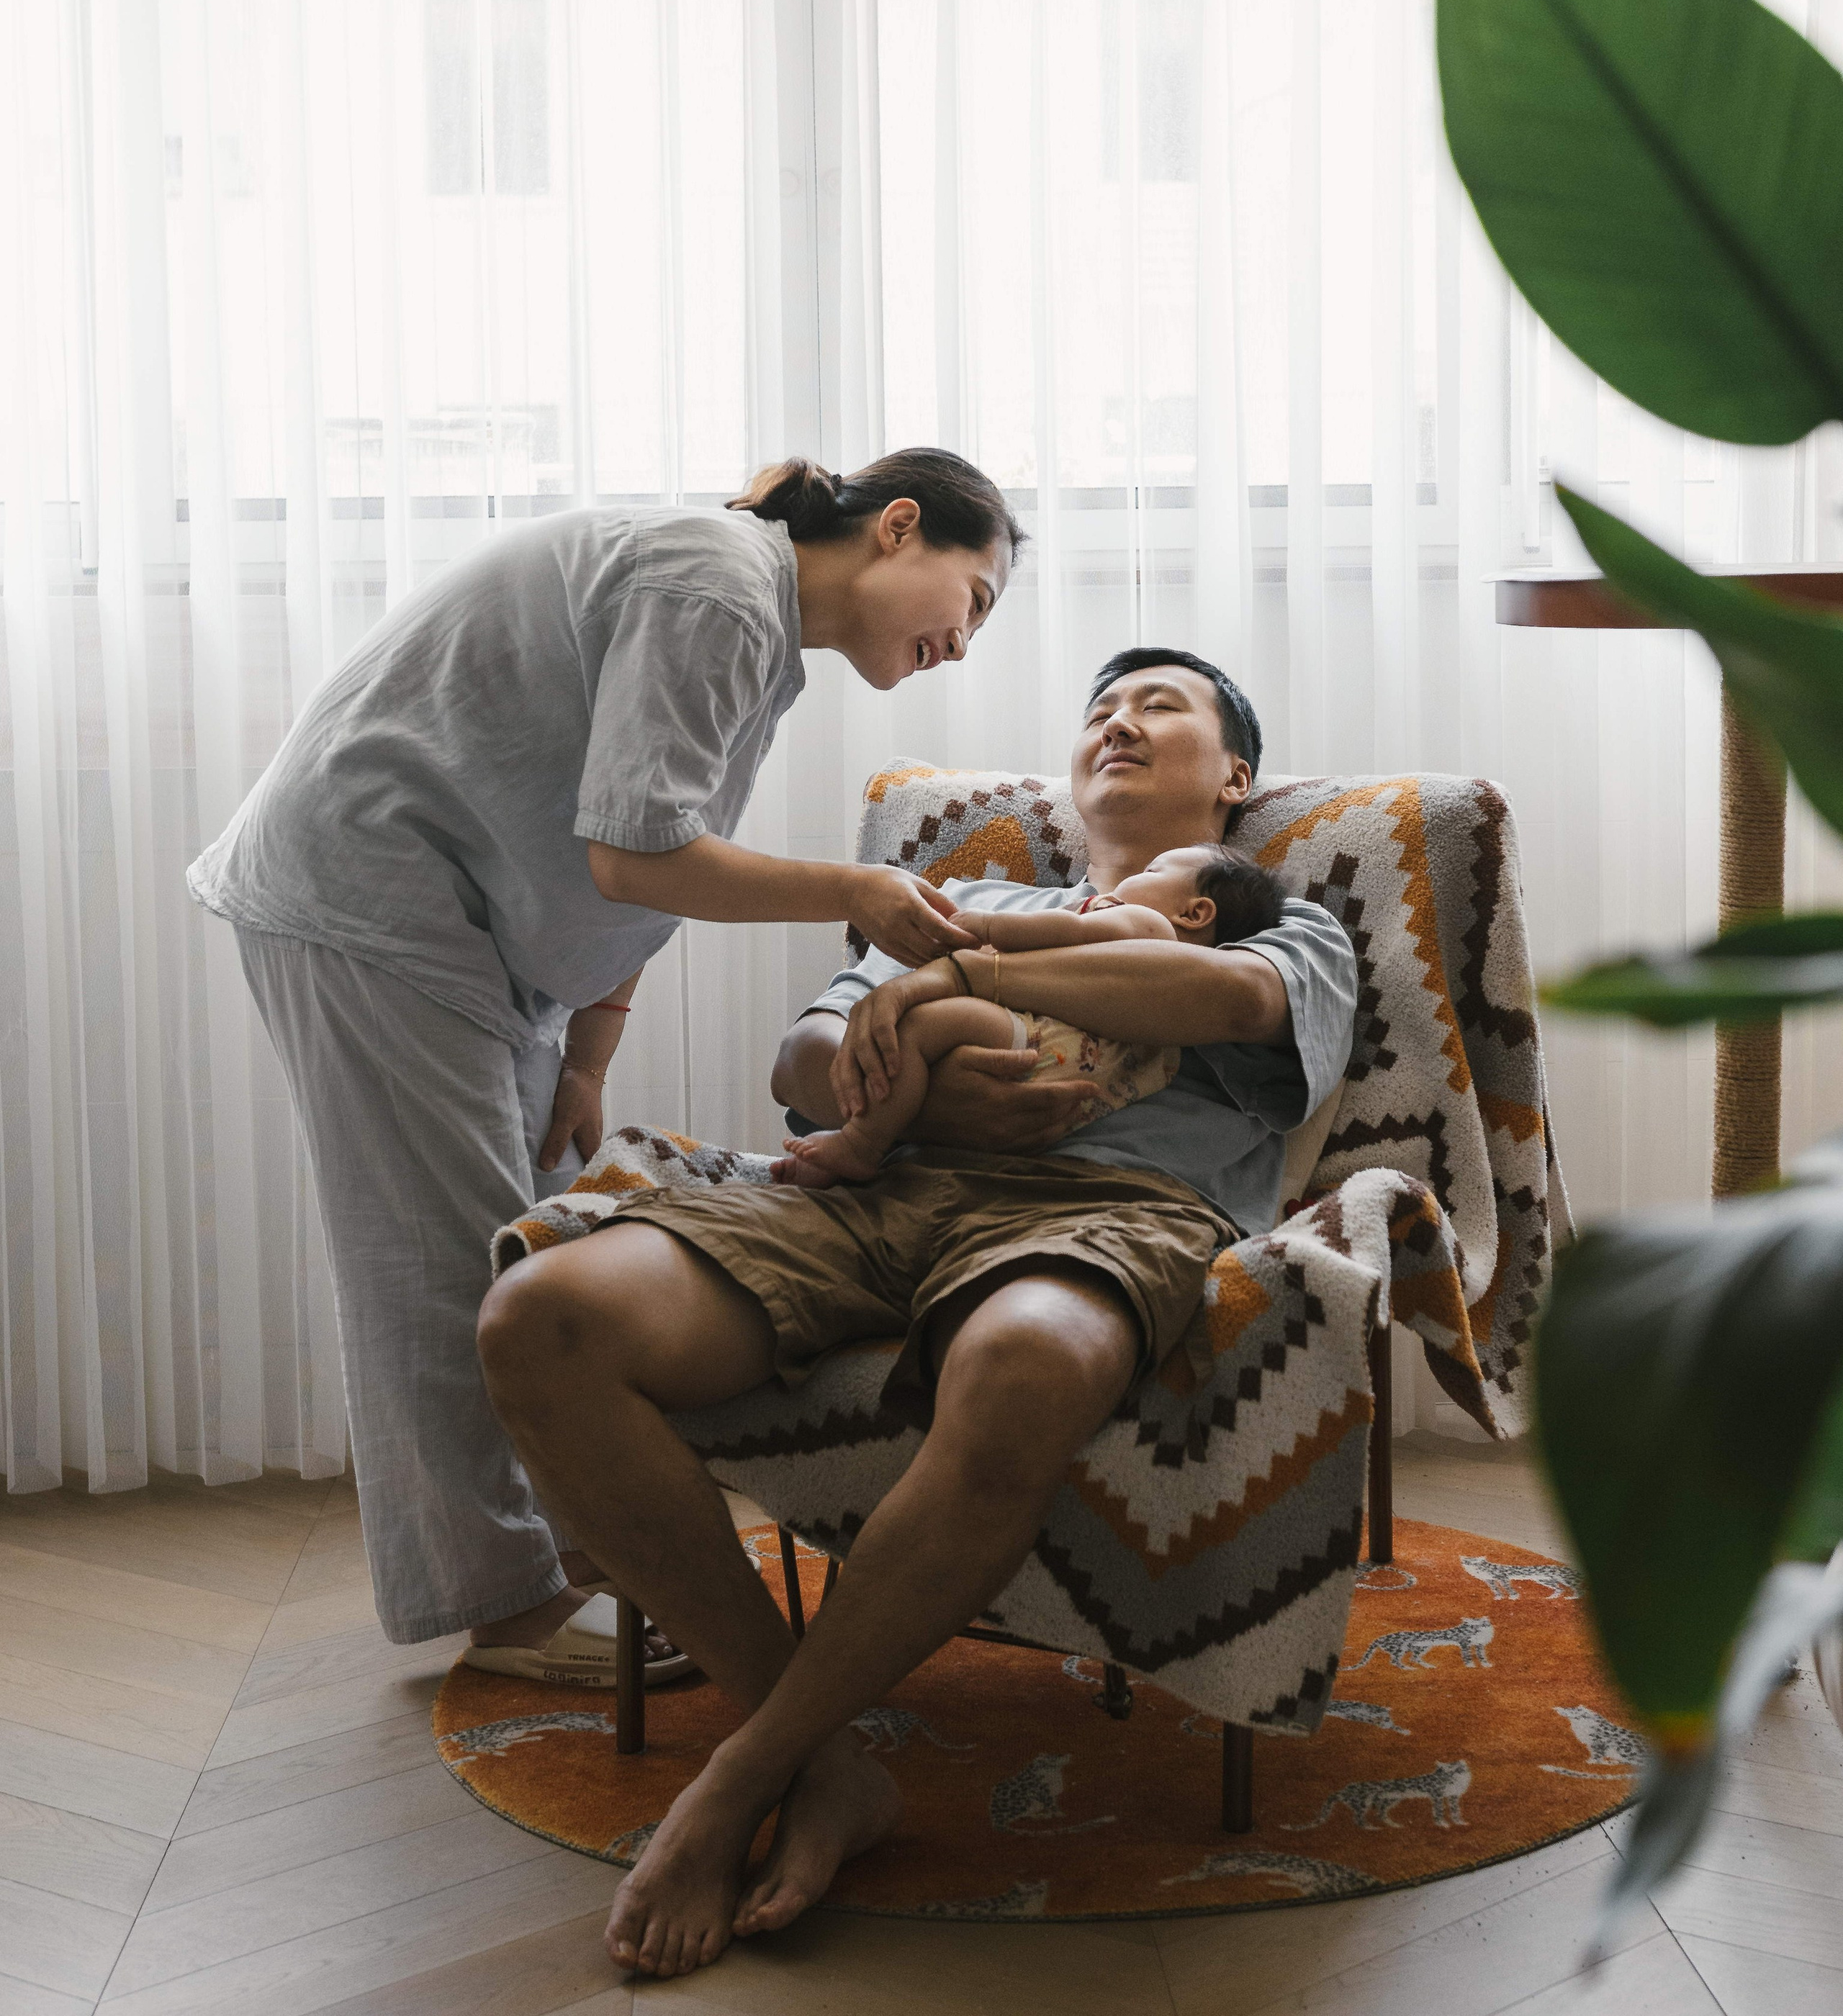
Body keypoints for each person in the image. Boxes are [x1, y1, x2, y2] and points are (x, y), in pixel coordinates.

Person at [475, 647, 1358, 1976]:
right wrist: (925, 1087)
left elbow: (1221, 1002)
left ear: (1236, 775)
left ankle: (736, 1777)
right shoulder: (971, 888)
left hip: (1111, 1208)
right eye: (1100, 709)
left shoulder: (1267, 919)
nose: (1118, 720)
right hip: (873, 1188)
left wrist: (962, 975)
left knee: (1028, 1360)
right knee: (541, 1317)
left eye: (1160, 705)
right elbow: (804, 1064)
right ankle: (823, 1759)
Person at [185, 449, 1019, 1683]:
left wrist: (586, 1053)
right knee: (447, 1263)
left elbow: (654, 843)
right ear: (899, 527)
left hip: (466, 928)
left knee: (508, 1241)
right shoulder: (717, 584)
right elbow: (641, 856)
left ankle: (560, 1559)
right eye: (979, 598)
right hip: (377, 894)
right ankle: (507, 1607)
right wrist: (853, 889)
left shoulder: (750, 617)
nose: (968, 641)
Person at [771, 842, 1287, 1186]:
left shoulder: (1142, 922)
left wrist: (990, 930)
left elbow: (1069, 934)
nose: (1130, 881)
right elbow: (791, 1068)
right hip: (1073, 1077)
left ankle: (863, 1141)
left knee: (923, 1028)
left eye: (1150, 872)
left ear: (1195, 912)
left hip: (1044, 1039)